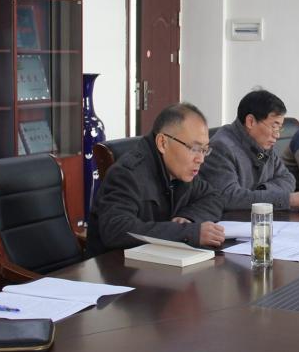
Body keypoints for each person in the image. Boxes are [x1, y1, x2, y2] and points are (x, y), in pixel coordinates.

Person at [89, 102, 225, 253]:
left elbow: (213, 197)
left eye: (204, 150)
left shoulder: (180, 170)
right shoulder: (126, 174)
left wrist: (189, 218)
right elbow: (117, 229)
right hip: (115, 263)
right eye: (194, 148)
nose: (200, 159)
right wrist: (187, 232)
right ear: (162, 143)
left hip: (158, 258)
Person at [200, 89, 299, 211]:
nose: (277, 135)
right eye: (274, 126)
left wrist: (262, 191)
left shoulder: (263, 144)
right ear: (251, 122)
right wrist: (286, 199)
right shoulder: (221, 147)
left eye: (279, 128)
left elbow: (288, 179)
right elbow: (229, 198)